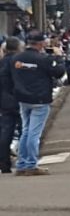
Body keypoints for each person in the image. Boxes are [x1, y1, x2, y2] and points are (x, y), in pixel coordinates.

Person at [11, 31, 65, 176]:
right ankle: (31, 164)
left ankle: (21, 164)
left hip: (23, 98)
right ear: (41, 43)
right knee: (34, 133)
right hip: (40, 99)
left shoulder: (16, 58)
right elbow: (58, 72)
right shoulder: (43, 59)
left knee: (26, 131)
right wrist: (59, 57)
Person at [0, 37, 22, 174]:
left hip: (5, 102)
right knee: (25, 131)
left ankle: (4, 164)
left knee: (5, 132)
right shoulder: (18, 62)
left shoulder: (2, 63)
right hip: (20, 99)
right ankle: (25, 160)